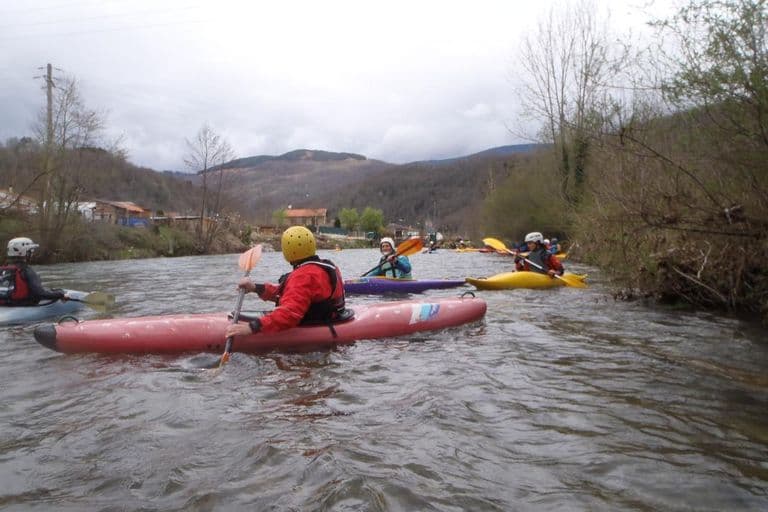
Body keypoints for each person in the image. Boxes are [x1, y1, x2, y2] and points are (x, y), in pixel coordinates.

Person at [224, 226, 349, 338]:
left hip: (319, 323)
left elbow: (289, 314)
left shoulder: (304, 276)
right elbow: (289, 294)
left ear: (287, 250)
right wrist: (256, 288)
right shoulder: (323, 267)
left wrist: (252, 328)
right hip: (334, 316)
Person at [0, 237, 69, 306]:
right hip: (21, 304)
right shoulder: (27, 270)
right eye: (31, 251)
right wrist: (60, 294)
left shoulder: (4, 269)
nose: (32, 254)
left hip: (5, 303)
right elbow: (40, 294)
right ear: (25, 252)